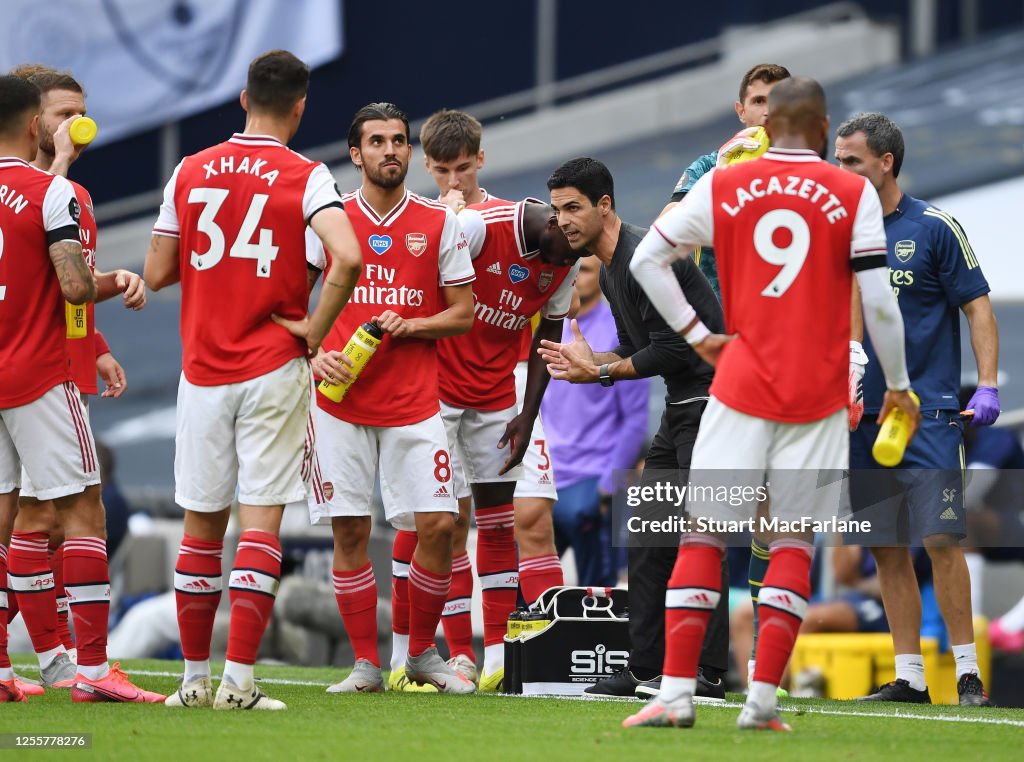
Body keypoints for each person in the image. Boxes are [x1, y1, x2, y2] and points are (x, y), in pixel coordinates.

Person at [622, 77, 916, 731]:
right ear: (820, 127)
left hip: (739, 382)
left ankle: (673, 694)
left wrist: (700, 337)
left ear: (768, 123)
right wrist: (896, 383)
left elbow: (647, 259)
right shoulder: (851, 191)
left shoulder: (725, 184)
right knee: (789, 539)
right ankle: (760, 700)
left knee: (702, 533)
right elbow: (878, 302)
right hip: (813, 391)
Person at [145, 49, 363, 710]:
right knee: (260, 522)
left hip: (203, 369)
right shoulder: (306, 175)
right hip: (272, 368)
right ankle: (238, 681)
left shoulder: (190, 169)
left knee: (200, 527)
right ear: (299, 107)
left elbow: (156, 273)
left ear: (243, 98)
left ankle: (192, 681)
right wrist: (314, 328)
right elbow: (347, 255)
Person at [0, 74, 162, 703]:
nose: (76, 124)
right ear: (34, 122)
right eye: (63, 114)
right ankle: (90, 672)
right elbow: (71, 286)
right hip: (39, 376)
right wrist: (117, 276)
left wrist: (95, 348)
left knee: (17, 520)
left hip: (27, 368)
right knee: (82, 508)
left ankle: (39, 667)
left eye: (82, 113)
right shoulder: (54, 193)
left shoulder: (69, 192)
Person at [542, 157, 730, 700]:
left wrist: (598, 370)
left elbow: (672, 348)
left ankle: (709, 675)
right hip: (683, 408)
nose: (563, 221)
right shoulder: (611, 265)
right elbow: (637, 344)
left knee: (702, 537)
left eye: (573, 207)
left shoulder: (646, 257)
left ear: (605, 205)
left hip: (716, 406)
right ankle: (646, 666)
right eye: (556, 210)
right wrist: (594, 358)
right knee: (648, 538)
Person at [306, 102, 476, 695]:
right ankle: (365, 666)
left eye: (399, 141)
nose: (390, 151)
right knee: (350, 533)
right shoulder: (327, 220)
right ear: (356, 154)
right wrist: (310, 353)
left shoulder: (438, 223)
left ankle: (423, 654)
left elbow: (462, 314)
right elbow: (288, 304)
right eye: (377, 141)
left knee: (440, 524)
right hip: (338, 402)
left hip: (413, 403)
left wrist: (413, 325)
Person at [835, 112, 999, 707]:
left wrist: (984, 385)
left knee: (940, 539)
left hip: (926, 414)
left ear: (885, 163)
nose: (840, 169)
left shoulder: (934, 227)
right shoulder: (836, 232)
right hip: (859, 414)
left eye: (851, 160)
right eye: (837, 158)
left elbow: (978, 308)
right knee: (883, 544)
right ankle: (909, 677)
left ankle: (967, 675)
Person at [419, 109, 574, 689]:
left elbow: (547, 338)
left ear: (482, 160)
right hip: (435, 390)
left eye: (465, 168)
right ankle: (451, 654)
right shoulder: (479, 226)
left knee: (507, 520)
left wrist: (527, 414)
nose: (456, 182)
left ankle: (501, 659)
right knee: (440, 521)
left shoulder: (566, 254)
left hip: (497, 390)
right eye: (443, 171)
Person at [541, 255, 650, 586]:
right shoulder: (546, 327)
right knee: (532, 594)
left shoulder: (622, 332)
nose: (576, 276)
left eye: (585, 270)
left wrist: (606, 490)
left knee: (595, 597)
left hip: (592, 483)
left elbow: (634, 421)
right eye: (571, 269)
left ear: (601, 275)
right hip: (544, 481)